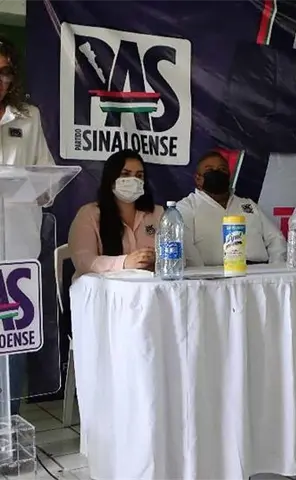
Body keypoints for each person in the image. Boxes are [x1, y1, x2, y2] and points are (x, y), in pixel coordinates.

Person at [0, 37, 56, 415]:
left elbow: (46, 177)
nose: (0, 79)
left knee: (13, 344)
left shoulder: (28, 117)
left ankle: (9, 429)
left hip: (17, 253)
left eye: (5, 72)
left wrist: (40, 188)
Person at [176, 151, 286, 266]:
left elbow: (275, 238)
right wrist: (201, 273)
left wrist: (276, 267)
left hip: (259, 271)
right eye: (209, 170)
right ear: (198, 178)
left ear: (229, 175)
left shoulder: (248, 205)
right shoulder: (187, 207)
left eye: (222, 169)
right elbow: (185, 245)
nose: (217, 172)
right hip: (214, 273)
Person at [68, 149, 163, 277]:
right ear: (111, 179)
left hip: (147, 285)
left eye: (139, 175)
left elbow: (178, 256)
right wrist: (124, 262)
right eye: (125, 174)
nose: (134, 181)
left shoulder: (157, 213)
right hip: (102, 287)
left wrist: (158, 259)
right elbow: (84, 261)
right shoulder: (89, 214)